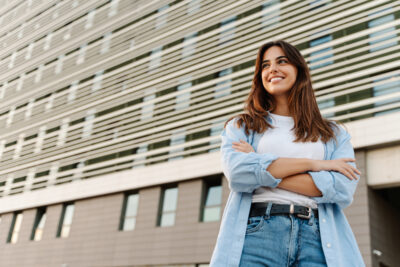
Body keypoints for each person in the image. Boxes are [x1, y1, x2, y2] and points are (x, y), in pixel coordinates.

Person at [210, 40, 365, 267]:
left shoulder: (334, 133)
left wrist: (260, 165)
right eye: (265, 65)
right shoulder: (241, 126)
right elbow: (238, 174)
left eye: (282, 61)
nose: (272, 69)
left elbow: (341, 189)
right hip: (258, 233)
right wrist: (316, 165)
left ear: (299, 70)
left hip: (318, 238)